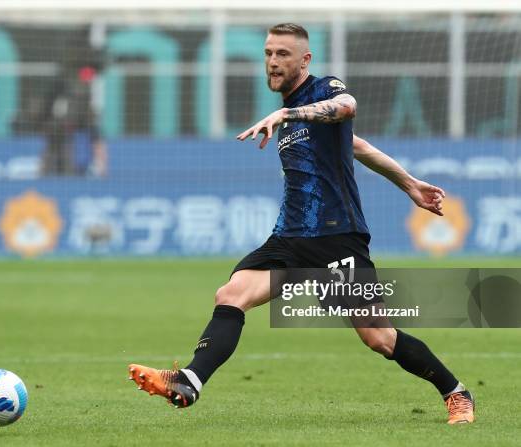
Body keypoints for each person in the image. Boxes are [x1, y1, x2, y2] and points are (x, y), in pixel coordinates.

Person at [127, 23, 474, 425]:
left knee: (379, 337)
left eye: (283, 54)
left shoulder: (323, 90)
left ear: (304, 59)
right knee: (232, 293)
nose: (273, 62)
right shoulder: (292, 113)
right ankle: (189, 379)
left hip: (336, 236)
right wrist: (409, 183)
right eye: (269, 53)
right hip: (289, 239)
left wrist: (286, 112)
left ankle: (456, 392)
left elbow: (348, 108)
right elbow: (357, 145)